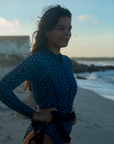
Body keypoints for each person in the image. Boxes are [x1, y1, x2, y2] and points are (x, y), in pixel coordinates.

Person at [0, 5, 77, 144]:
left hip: (64, 135)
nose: (68, 33)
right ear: (47, 31)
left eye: (69, 29)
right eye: (61, 28)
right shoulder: (36, 60)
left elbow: (64, 93)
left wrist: (68, 113)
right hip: (42, 136)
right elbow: (2, 88)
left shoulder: (66, 61)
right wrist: (33, 114)